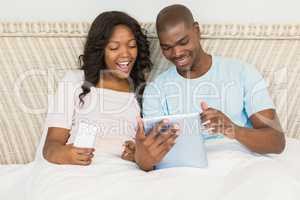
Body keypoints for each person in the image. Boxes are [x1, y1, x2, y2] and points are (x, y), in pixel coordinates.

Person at [122, 4, 286, 167]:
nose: (177, 53)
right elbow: (151, 160)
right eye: (167, 48)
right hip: (185, 171)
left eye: (183, 42)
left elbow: (277, 141)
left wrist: (232, 129)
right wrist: (142, 154)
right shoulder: (156, 89)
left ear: (197, 30)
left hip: (239, 166)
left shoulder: (241, 72)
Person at [42, 11, 179, 170]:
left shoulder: (144, 91)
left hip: (123, 172)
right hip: (79, 170)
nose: (126, 54)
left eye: (132, 46)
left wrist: (137, 155)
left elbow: (149, 151)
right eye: (114, 48)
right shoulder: (74, 81)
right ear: (100, 51)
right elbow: (51, 147)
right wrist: (66, 154)